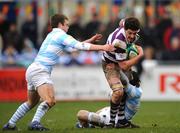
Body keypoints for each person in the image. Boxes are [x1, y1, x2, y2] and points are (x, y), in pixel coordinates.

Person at [2, 14, 115, 131]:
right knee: (50, 100)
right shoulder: (61, 35)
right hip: (41, 71)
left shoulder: (52, 35)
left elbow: (73, 48)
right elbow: (79, 46)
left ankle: (10, 124)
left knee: (31, 102)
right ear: (60, 25)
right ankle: (35, 123)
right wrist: (104, 47)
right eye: (66, 25)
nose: (68, 27)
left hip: (32, 69)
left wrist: (90, 40)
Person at [101, 17, 144, 127]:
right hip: (110, 64)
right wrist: (140, 55)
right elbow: (123, 66)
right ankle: (111, 122)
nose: (132, 36)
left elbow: (122, 21)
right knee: (118, 91)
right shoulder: (119, 41)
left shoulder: (125, 24)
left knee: (125, 88)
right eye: (130, 33)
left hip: (119, 60)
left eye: (135, 33)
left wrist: (133, 47)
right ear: (125, 29)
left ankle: (121, 121)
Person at [76, 71, 142, 128]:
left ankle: (87, 125)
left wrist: (116, 68)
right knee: (104, 109)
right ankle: (88, 125)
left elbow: (124, 82)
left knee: (80, 113)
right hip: (112, 113)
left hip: (111, 119)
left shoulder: (136, 92)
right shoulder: (134, 90)